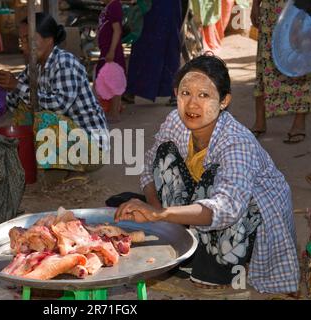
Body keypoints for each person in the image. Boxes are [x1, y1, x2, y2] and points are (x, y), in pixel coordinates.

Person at [115, 54, 299, 293]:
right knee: (164, 154)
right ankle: (181, 238)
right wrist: (155, 213)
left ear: (224, 101)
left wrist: (161, 214)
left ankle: (217, 263)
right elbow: (149, 166)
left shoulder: (236, 141)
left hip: (244, 218)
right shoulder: (175, 120)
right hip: (200, 203)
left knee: (216, 180)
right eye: (185, 93)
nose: (192, 104)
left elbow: (228, 207)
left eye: (204, 95)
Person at [0, 13, 109, 183]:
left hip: (92, 148)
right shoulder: (34, 67)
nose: (24, 45)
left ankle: (77, 169)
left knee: (44, 116)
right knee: (22, 107)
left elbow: (59, 106)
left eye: (29, 39)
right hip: (72, 141)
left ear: (49, 39)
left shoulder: (64, 63)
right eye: (22, 40)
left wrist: (17, 86)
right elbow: (11, 103)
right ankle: (52, 163)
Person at [250, 0, 311, 143]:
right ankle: (259, 121)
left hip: (298, 8)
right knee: (265, 60)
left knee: (298, 60)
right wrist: (255, 5)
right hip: (269, 9)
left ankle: (299, 122)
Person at [125, 0, 183, 105]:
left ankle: (173, 92)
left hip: (166, 8)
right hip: (153, 8)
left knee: (168, 45)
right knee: (144, 44)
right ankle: (131, 90)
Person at [96, 0, 126, 122]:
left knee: (114, 82)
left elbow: (117, 30)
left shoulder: (114, 5)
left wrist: (112, 51)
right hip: (106, 50)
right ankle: (112, 110)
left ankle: (114, 113)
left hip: (111, 51)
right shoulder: (108, 7)